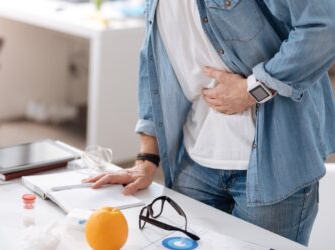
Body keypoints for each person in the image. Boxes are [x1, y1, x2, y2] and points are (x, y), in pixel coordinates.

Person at [84, 0, 335, 245]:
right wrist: (146, 159)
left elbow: (325, 28)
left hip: (272, 167)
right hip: (195, 161)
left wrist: (253, 89)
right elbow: (153, 61)